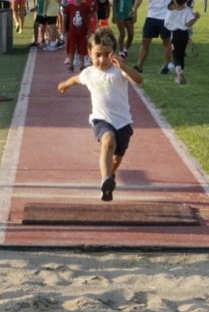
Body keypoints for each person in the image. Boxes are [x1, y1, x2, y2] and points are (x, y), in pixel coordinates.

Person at [57, 27, 144, 202]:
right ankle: (105, 179)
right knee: (108, 140)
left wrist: (124, 66)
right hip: (101, 120)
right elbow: (76, 79)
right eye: (98, 55)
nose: (102, 59)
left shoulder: (119, 71)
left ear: (114, 54)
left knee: (117, 158)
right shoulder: (89, 73)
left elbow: (139, 80)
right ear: (89, 53)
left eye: (107, 54)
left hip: (123, 123)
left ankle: (110, 177)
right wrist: (65, 84)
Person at [131, 0, 184, 73]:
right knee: (145, 40)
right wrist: (135, 9)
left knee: (166, 42)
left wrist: (179, 2)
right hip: (152, 15)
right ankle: (139, 66)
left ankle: (166, 65)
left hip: (166, 15)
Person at [163, 0, 199, 85]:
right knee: (181, 54)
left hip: (175, 35)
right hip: (184, 35)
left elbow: (166, 24)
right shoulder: (187, 10)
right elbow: (188, 24)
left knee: (175, 55)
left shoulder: (171, 11)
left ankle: (179, 74)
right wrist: (196, 18)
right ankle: (180, 73)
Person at [64, 0, 93, 72]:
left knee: (82, 49)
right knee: (71, 49)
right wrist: (64, 29)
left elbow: (88, 19)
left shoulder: (85, 6)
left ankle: (82, 65)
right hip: (72, 32)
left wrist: (89, 29)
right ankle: (71, 65)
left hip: (82, 32)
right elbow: (66, 18)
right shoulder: (69, 7)